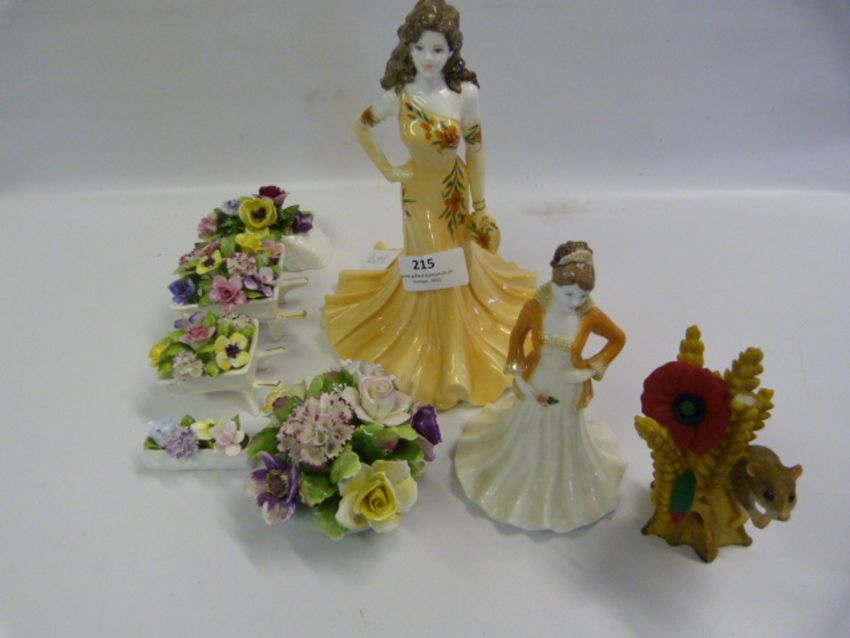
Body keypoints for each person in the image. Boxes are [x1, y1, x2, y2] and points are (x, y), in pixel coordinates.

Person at [324, 0, 536, 410]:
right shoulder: (400, 95)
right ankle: (430, 345)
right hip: (417, 193)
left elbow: (476, 148)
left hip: (453, 191)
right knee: (431, 263)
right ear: (408, 47)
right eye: (420, 47)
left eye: (438, 49)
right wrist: (388, 169)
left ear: (452, 50)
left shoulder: (464, 95)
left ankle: (458, 349)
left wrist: (481, 205)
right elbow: (361, 125)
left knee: (457, 258)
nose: (427, 57)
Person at [454, 241, 626, 532]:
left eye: (582, 295)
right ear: (554, 283)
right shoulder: (535, 308)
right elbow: (517, 339)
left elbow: (618, 339)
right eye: (568, 293)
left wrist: (589, 369)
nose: (575, 301)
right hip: (538, 379)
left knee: (564, 430)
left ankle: (562, 477)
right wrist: (520, 377)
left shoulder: (589, 315)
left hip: (569, 387)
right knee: (530, 425)